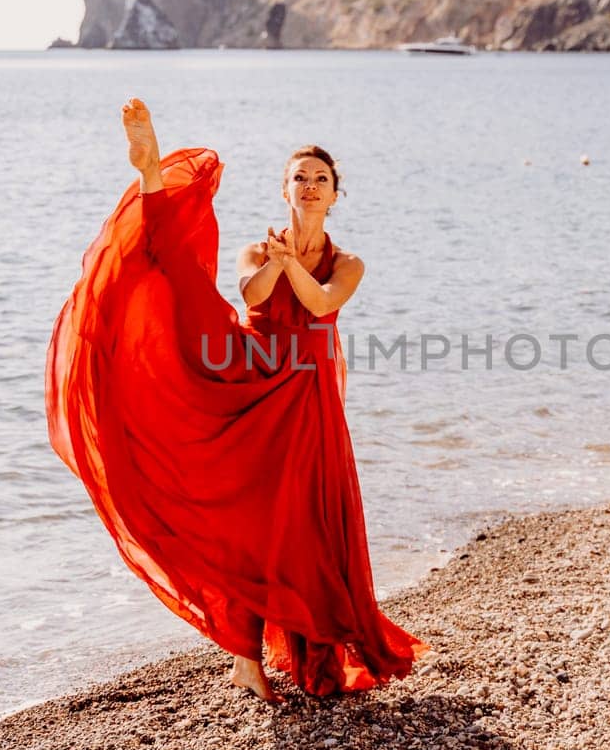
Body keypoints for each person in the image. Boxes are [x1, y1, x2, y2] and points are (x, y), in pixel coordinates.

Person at [45, 97, 428, 704]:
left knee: (304, 525)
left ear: (335, 195)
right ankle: (151, 175)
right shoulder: (259, 250)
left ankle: (305, 643)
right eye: (298, 178)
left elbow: (323, 305)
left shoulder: (349, 262)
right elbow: (252, 291)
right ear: (285, 189)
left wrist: (292, 264)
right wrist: (277, 261)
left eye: (319, 180)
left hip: (308, 395)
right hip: (252, 376)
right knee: (249, 520)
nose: (308, 186)